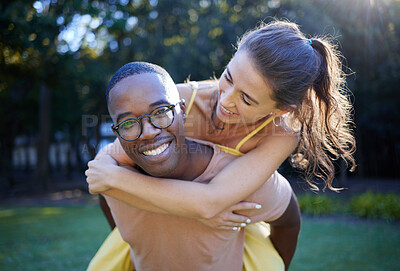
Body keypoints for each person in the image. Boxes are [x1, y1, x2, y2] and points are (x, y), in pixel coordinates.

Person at [87, 19, 355, 269]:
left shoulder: (280, 135)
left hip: (232, 230)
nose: (225, 100)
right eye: (228, 77)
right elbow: (112, 158)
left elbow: (212, 202)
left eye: (246, 99)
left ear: (281, 110)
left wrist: (114, 179)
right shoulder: (180, 102)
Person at [86, 61, 298, 270]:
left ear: (182, 111)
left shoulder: (244, 184)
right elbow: (106, 195)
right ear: (117, 134)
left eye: (160, 112)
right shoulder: (110, 176)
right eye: (128, 124)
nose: (149, 131)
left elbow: (289, 220)